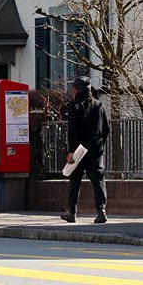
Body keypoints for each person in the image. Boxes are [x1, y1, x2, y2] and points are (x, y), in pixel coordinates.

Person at [61, 75, 110, 224]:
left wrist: (71, 151)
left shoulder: (74, 106)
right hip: (95, 150)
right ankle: (101, 211)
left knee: (75, 181)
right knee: (98, 181)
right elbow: (106, 129)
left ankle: (72, 212)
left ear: (77, 90)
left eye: (73, 88)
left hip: (78, 151)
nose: (72, 91)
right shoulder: (98, 105)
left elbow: (72, 131)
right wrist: (100, 145)